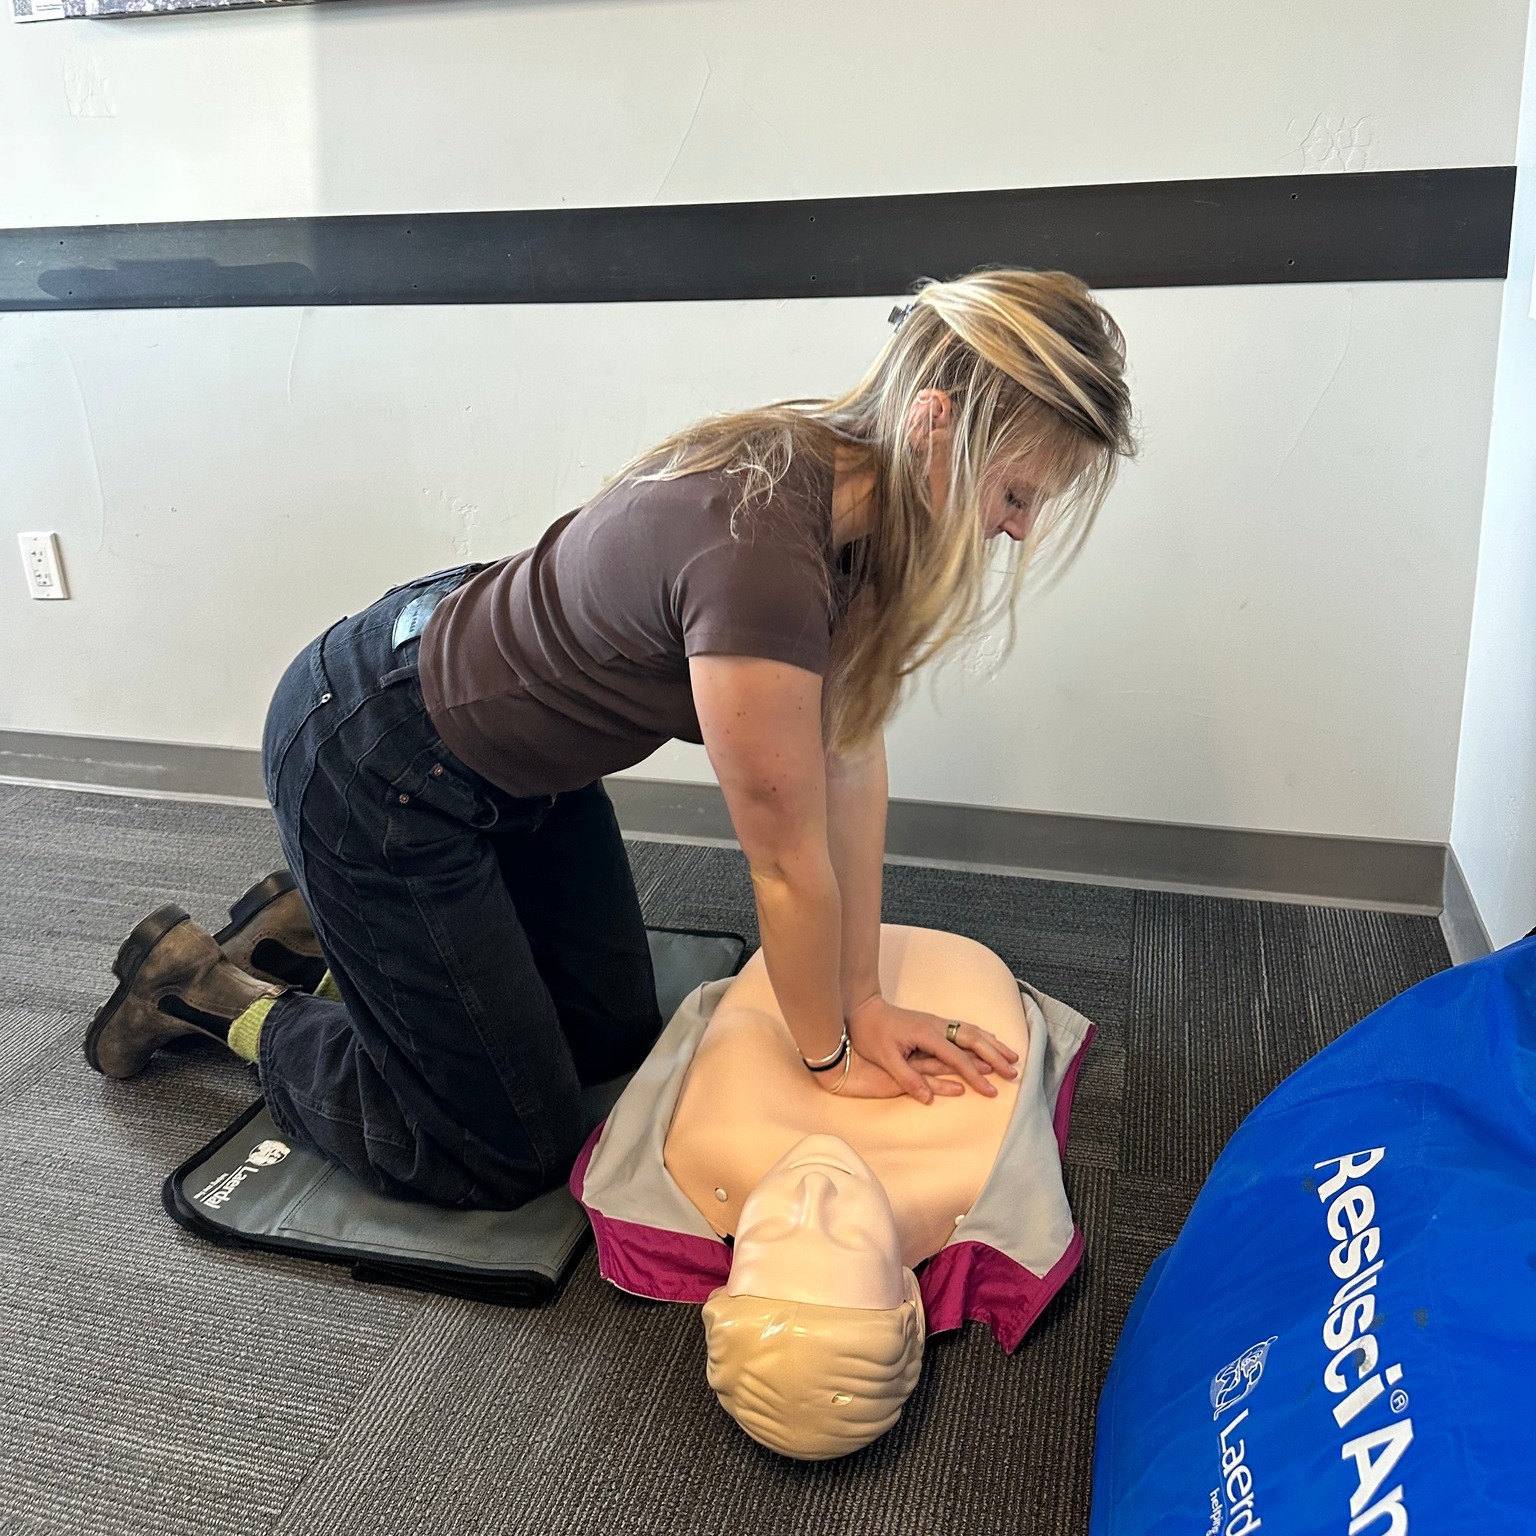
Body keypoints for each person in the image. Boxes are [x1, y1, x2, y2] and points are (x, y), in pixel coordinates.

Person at [84, 267, 1135, 1211]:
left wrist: (864, 999)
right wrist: (829, 1062)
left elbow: (847, 762)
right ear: (936, 424)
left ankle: (324, 925)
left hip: (515, 771)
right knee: (506, 1149)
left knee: (613, 1042)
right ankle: (216, 994)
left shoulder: (857, 502)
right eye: (1014, 494)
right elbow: (785, 862)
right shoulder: (766, 547)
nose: (1017, 530)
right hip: (375, 766)